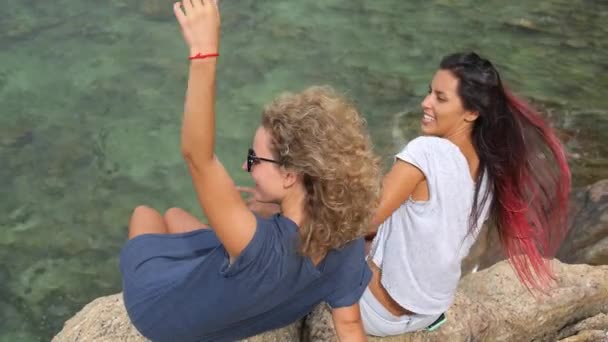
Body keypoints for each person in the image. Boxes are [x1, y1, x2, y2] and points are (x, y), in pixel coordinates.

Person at [119, 1, 381, 341]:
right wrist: (273, 209)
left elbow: (198, 156)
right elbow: (348, 325)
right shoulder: (344, 243)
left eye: (254, 159)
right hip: (244, 294)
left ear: (291, 176)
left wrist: (204, 55)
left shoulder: (258, 246)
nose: (245, 166)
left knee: (145, 213)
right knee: (175, 214)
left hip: (159, 315)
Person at [359, 52, 571, 336]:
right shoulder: (488, 170)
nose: (426, 103)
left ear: (472, 112)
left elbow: (366, 221)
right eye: (428, 92)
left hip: (377, 313)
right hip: (429, 311)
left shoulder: (425, 151)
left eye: (440, 98)